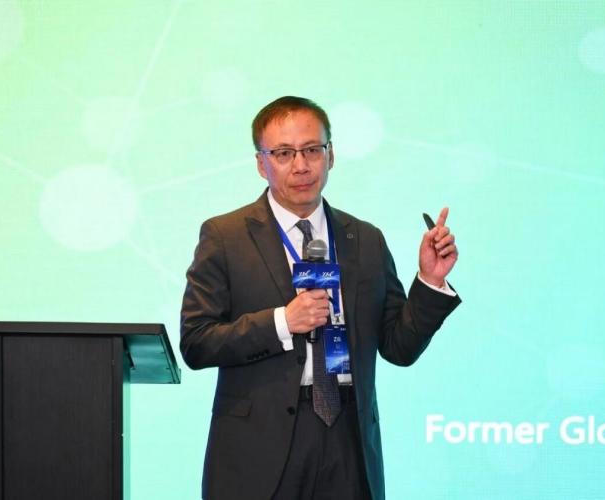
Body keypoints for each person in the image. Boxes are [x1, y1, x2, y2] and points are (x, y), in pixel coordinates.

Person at [180, 96, 460, 500]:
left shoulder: (365, 239)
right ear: (261, 163)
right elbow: (196, 342)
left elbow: (399, 347)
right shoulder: (226, 237)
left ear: (331, 155)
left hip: (348, 440)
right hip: (259, 448)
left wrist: (429, 281)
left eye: (312, 149)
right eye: (283, 153)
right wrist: (282, 322)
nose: (301, 165)